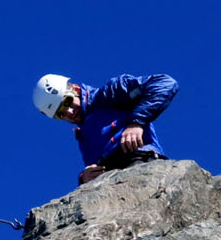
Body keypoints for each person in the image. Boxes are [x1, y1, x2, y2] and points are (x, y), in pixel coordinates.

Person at [32, 73, 178, 185]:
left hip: (140, 161)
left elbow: (164, 83)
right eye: (60, 114)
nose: (69, 112)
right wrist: (85, 178)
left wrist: (137, 123)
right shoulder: (83, 136)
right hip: (109, 180)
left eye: (67, 103)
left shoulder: (110, 94)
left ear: (75, 89)